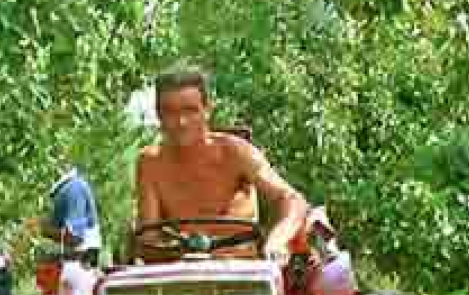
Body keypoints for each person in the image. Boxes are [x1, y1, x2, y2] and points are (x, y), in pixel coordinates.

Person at [134, 67, 308, 264]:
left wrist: (277, 241)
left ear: (207, 110)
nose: (181, 122)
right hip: (182, 273)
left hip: (242, 269)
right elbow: (148, 237)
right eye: (170, 112)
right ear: (159, 116)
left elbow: (292, 199)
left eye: (190, 110)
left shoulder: (237, 152)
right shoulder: (150, 162)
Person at [26, 165, 103, 267]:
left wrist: (40, 229)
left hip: (81, 255)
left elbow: (75, 236)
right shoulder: (67, 189)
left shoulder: (73, 189)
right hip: (79, 252)